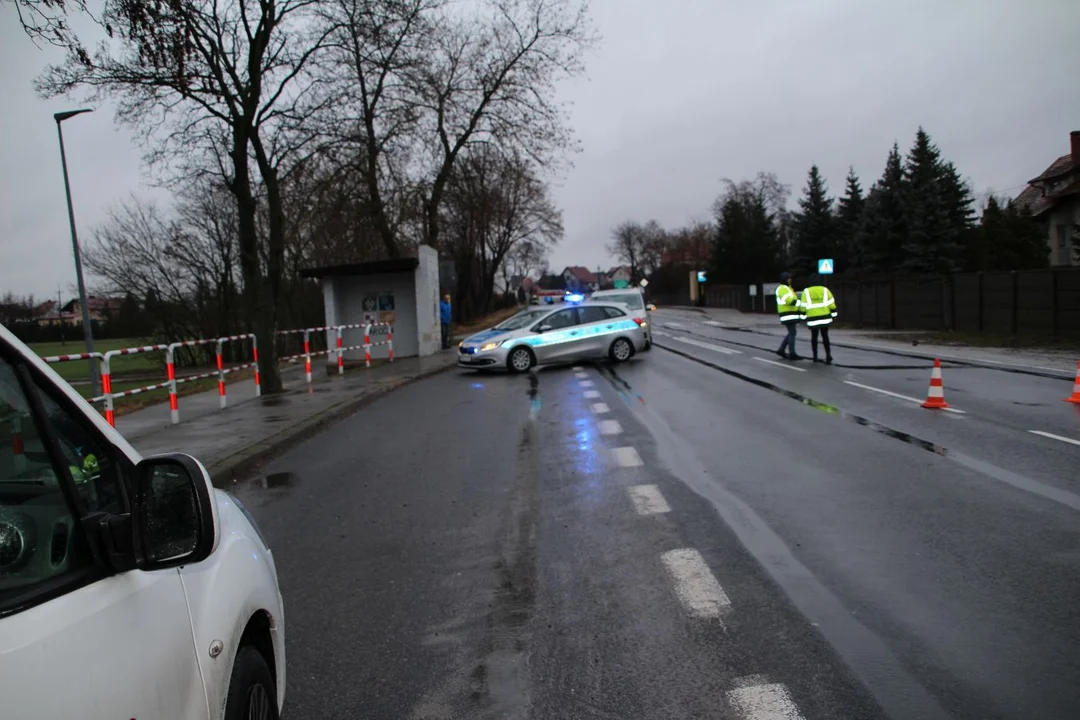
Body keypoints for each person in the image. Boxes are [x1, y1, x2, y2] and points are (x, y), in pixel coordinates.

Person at [800, 275, 837, 364]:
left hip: (813, 319)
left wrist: (803, 317)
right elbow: (831, 303)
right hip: (825, 317)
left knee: (814, 337)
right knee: (825, 337)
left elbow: (803, 306)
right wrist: (833, 314)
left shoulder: (806, 291)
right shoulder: (825, 290)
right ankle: (828, 355)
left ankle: (815, 356)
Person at [774, 272, 803, 360]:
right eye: (788, 278)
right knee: (792, 332)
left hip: (791, 313)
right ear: (784, 279)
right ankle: (792, 353)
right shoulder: (782, 288)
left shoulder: (788, 288)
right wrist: (801, 303)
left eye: (790, 278)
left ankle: (781, 350)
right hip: (787, 313)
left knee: (792, 332)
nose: (790, 280)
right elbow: (789, 301)